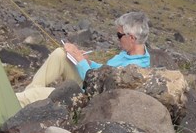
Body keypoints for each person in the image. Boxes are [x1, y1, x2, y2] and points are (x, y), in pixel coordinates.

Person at [16, 11, 151, 107]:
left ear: (132, 38)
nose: (118, 39)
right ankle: (27, 101)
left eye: (119, 35)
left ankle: (19, 101)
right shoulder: (129, 53)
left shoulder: (135, 68)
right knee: (60, 54)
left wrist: (80, 60)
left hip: (89, 97)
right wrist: (89, 62)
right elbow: (105, 71)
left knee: (36, 94)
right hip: (88, 84)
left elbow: (99, 87)